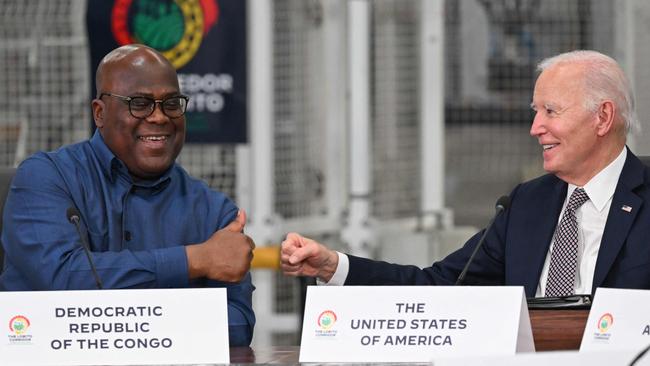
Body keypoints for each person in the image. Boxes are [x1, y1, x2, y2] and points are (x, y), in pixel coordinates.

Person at [281, 50, 650, 297]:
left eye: (551, 112)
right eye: (535, 111)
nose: (535, 127)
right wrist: (335, 266)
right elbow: (442, 285)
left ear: (603, 117)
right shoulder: (525, 203)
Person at [0, 44, 255, 346]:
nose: (160, 117)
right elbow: (63, 280)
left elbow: (237, 324)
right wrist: (193, 260)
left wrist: (134, 321)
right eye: (140, 103)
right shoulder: (46, 178)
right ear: (100, 113)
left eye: (171, 103)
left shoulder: (215, 212)